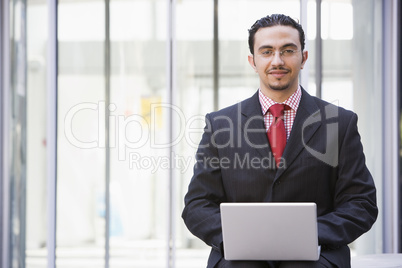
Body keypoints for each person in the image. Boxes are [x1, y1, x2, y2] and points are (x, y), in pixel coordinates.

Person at [182, 14, 378, 268]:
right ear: (253, 61)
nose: (277, 61)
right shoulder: (220, 125)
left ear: (303, 58)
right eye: (267, 51)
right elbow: (197, 205)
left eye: (287, 50)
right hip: (239, 259)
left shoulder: (339, 123)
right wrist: (237, 238)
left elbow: (361, 203)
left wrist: (308, 235)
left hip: (316, 257)